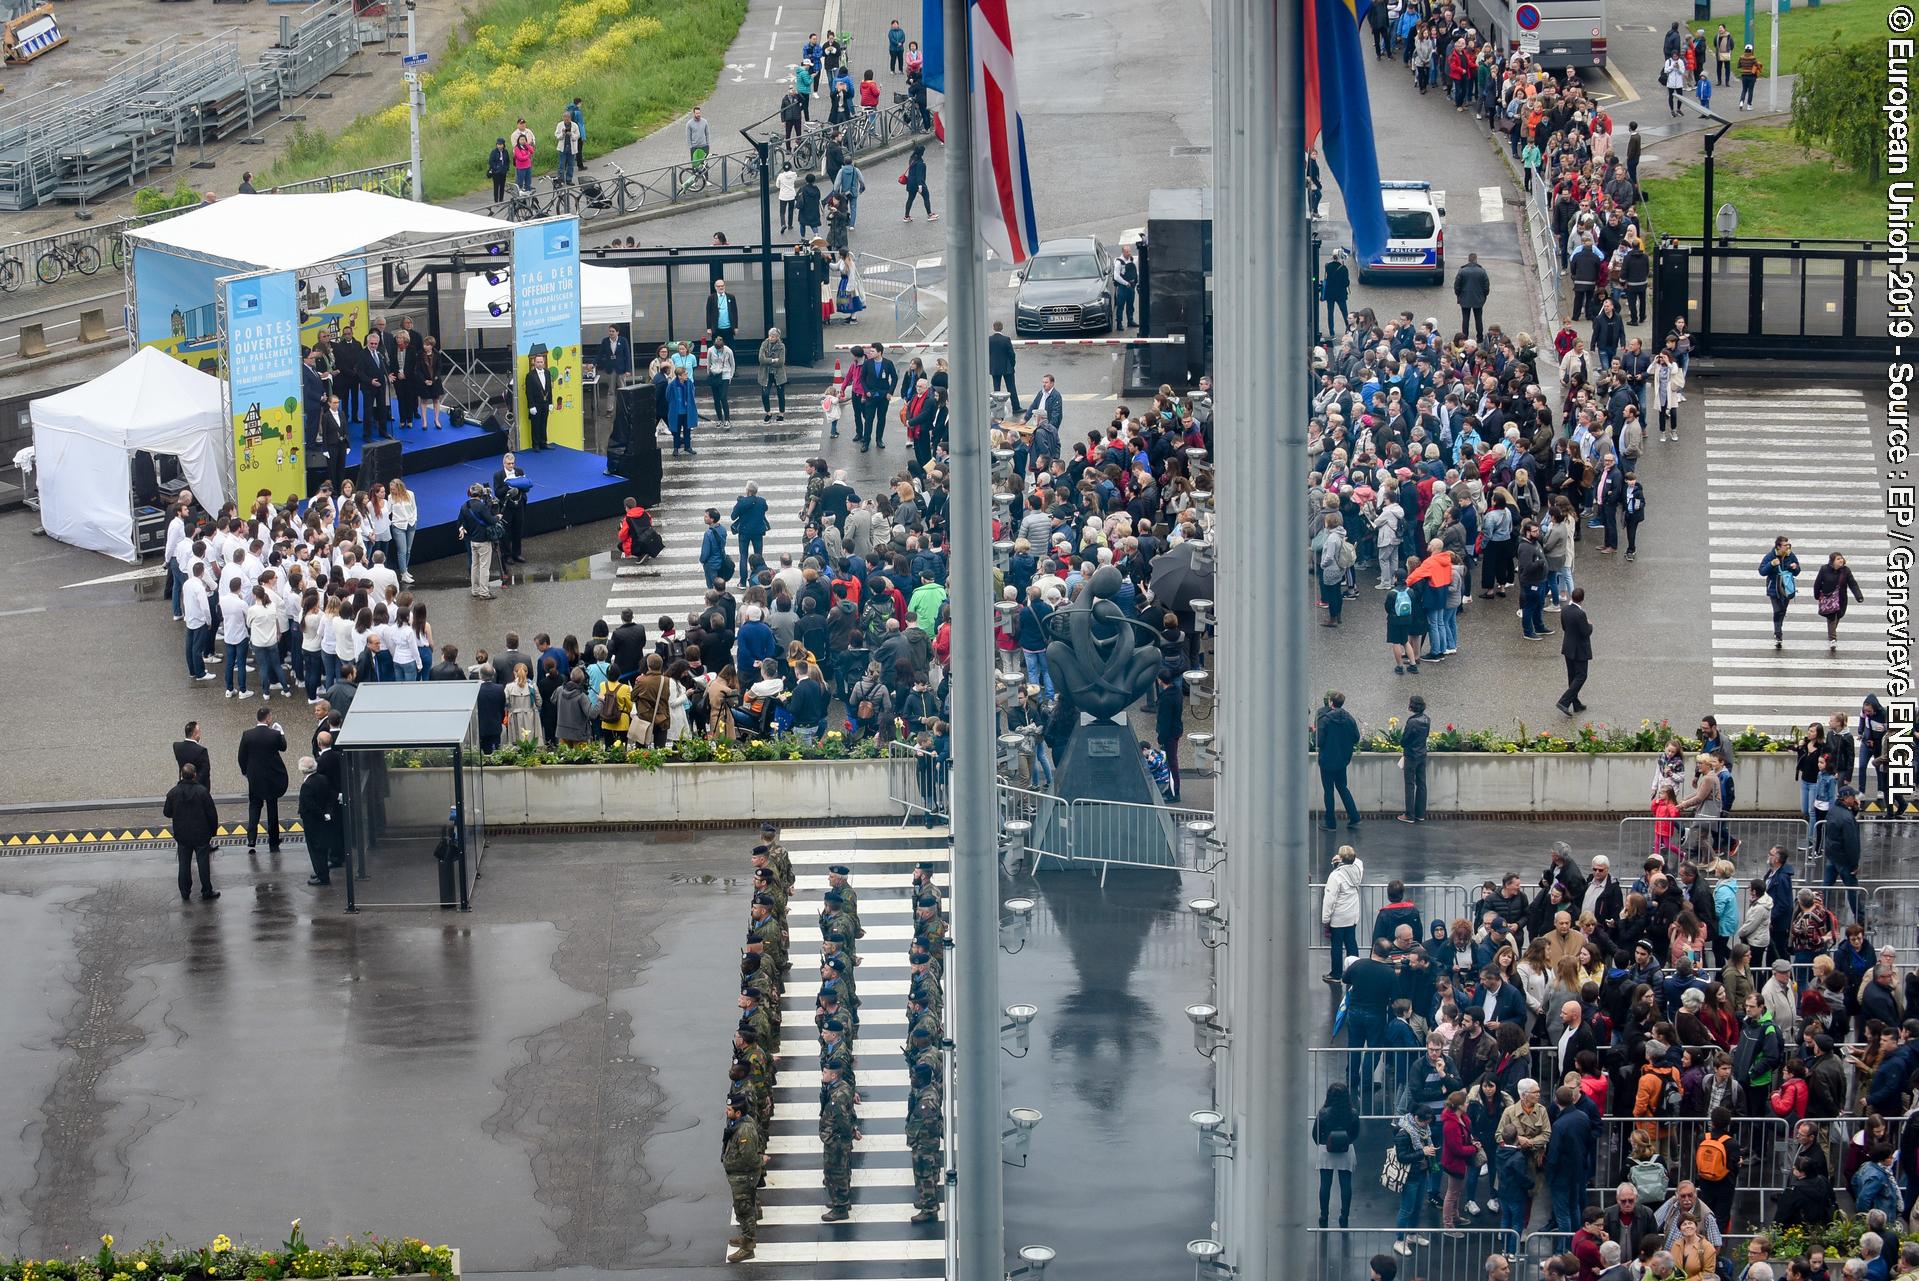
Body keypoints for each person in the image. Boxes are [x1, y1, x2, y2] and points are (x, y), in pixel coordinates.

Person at [163, 763, 219, 902]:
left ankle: (184, 891)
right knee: (203, 862)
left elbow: (167, 812)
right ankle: (206, 890)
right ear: (195, 775)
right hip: (201, 833)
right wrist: (213, 831)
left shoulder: (173, 792)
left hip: (182, 834)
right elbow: (211, 814)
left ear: (182, 775)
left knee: (184, 863)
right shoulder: (202, 792)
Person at [236, 706, 288, 854]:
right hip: (271, 776)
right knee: (272, 808)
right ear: (268, 718)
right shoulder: (274, 734)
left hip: (255, 777)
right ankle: (273, 840)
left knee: (254, 806)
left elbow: (241, 756)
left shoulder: (247, 735)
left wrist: (245, 772)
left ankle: (251, 838)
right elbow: (283, 747)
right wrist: (281, 733)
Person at [722, 1092, 763, 1262]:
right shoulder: (737, 1123)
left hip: (744, 1177)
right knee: (743, 1209)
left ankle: (747, 1248)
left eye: (729, 1109)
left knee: (745, 1211)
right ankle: (746, 1237)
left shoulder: (744, 1130)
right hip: (740, 1177)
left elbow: (747, 1159)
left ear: (738, 1113)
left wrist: (729, 1164)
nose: (726, 1111)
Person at [1315, 691, 1362, 830]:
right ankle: (1354, 817)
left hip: (1327, 761)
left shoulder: (1325, 719)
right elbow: (1356, 738)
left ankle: (1331, 823)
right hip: (1342, 761)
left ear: (1331, 702)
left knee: (1328, 791)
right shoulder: (1349, 718)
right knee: (1342, 788)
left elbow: (1319, 741)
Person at [1323, 844, 1365, 982]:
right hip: (1352, 915)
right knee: (1351, 943)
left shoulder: (1335, 876)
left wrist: (1325, 918)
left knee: (1336, 946)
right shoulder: (1358, 869)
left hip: (1339, 917)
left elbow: (1330, 899)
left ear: (1340, 858)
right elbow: (1358, 861)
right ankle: (1355, 971)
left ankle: (1336, 974)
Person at [296, 754, 338, 887]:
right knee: (323, 848)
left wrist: (321, 814)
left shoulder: (307, 785)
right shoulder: (323, 779)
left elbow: (309, 805)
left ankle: (322, 876)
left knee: (315, 849)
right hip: (324, 820)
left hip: (313, 822)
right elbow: (331, 796)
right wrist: (327, 813)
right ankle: (321, 871)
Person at [1812, 552, 1865, 651]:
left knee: (1839, 615)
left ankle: (1831, 633)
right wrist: (1817, 595)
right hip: (1828, 598)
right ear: (1832, 561)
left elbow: (1852, 584)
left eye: (1841, 558)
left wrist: (1859, 596)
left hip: (1841, 598)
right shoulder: (1824, 569)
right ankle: (1833, 639)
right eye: (1838, 559)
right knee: (1832, 616)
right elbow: (1817, 583)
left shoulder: (1846, 570)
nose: (1841, 560)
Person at [1759, 536, 1801, 651]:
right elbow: (1762, 571)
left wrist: (1795, 567)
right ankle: (1778, 634)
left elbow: (1797, 571)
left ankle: (1778, 628)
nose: (1788, 547)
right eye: (1785, 545)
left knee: (1782, 610)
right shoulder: (1770, 556)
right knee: (1777, 610)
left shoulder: (1791, 555)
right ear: (1778, 546)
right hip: (1774, 588)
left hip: (1787, 587)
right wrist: (1771, 564)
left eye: (1789, 545)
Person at [1556, 587, 1592, 715]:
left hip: (1568, 647)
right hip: (1579, 650)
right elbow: (1585, 632)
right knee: (1581, 675)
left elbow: (1565, 627)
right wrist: (1589, 625)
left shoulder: (1565, 609)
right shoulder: (1581, 614)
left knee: (1572, 676)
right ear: (1582, 600)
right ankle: (1564, 701)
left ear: (1572, 596)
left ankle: (1576, 703)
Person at [460, 483, 499, 600]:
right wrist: (498, 517)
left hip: (472, 541)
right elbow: (491, 520)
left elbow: (461, 522)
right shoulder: (481, 507)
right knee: (484, 567)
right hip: (483, 541)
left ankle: (475, 590)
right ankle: (484, 592)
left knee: (475, 566)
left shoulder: (464, 506)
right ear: (481, 494)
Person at [1453, 252, 1490, 343]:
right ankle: (1480, 338)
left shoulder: (1462, 271)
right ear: (1476, 259)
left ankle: (1464, 338)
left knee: (1465, 319)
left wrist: (1459, 295)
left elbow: (1457, 285)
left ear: (1468, 259)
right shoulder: (1482, 271)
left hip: (1465, 298)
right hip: (1478, 299)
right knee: (1478, 318)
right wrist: (1484, 296)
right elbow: (1486, 286)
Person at [666, 365, 700, 455]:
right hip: (676, 412)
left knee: (687, 430)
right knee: (676, 431)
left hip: (687, 411)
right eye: (685, 374)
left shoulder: (689, 383)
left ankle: (688, 447)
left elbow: (692, 394)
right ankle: (676, 448)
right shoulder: (672, 385)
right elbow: (668, 397)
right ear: (679, 376)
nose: (686, 375)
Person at [524, 350, 553, 451]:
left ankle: (543, 443)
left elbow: (549, 388)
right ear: (534, 363)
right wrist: (531, 406)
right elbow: (529, 392)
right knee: (535, 425)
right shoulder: (530, 375)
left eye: (541, 362)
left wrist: (551, 403)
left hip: (545, 403)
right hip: (535, 405)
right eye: (538, 362)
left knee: (543, 423)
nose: (540, 363)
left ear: (544, 362)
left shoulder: (547, 373)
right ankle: (535, 444)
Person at [173, 721, 212, 794]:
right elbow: (205, 772)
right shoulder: (201, 751)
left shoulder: (176, 746)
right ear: (195, 734)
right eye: (199, 732)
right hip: (198, 790)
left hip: (182, 787)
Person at [989, 320, 1019, 408]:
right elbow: (1011, 354)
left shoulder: (989, 340)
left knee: (996, 389)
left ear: (993, 328)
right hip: (1007, 367)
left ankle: (997, 408)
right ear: (1002, 328)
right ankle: (1016, 407)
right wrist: (1012, 364)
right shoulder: (1006, 339)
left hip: (994, 368)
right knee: (1011, 388)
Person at [1321, 250, 1350, 338]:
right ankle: (1348, 329)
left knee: (1330, 313)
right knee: (1345, 312)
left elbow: (1327, 278)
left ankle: (1331, 332)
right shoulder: (1343, 268)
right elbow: (1346, 283)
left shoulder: (1328, 266)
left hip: (1330, 293)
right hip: (1341, 294)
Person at [902, 143, 935, 221]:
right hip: (918, 183)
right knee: (926, 197)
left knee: (910, 199)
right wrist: (920, 185)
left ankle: (906, 216)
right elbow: (919, 175)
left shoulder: (912, 159)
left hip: (910, 183)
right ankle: (929, 214)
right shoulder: (920, 163)